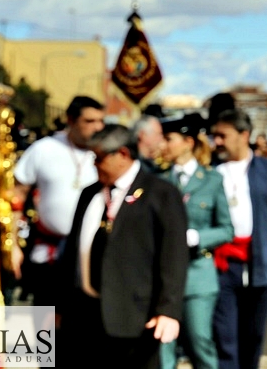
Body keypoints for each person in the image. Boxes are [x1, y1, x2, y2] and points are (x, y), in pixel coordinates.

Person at [56, 124, 189, 368]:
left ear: (123, 154)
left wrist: (168, 310)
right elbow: (71, 252)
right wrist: (59, 305)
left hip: (134, 316)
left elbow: (174, 256)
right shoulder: (89, 194)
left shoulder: (160, 193)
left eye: (99, 157)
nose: (94, 164)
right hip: (86, 313)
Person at [210, 109, 267, 369]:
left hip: (261, 267)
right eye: (215, 136)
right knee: (225, 339)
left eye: (222, 135)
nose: (217, 142)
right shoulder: (212, 173)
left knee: (253, 337)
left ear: (243, 135)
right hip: (222, 269)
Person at [158, 113, 234, 369]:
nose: (164, 145)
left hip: (197, 275)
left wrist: (196, 237)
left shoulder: (211, 180)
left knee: (200, 343)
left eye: (169, 139)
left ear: (188, 142)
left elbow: (226, 229)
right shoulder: (159, 180)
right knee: (162, 347)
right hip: (163, 276)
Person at [12, 95, 105, 306]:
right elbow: (16, 195)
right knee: (42, 326)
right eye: (90, 121)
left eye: (101, 121)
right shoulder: (44, 148)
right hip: (48, 254)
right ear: (71, 120)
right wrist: (13, 244)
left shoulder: (106, 153)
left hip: (90, 256)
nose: (98, 127)